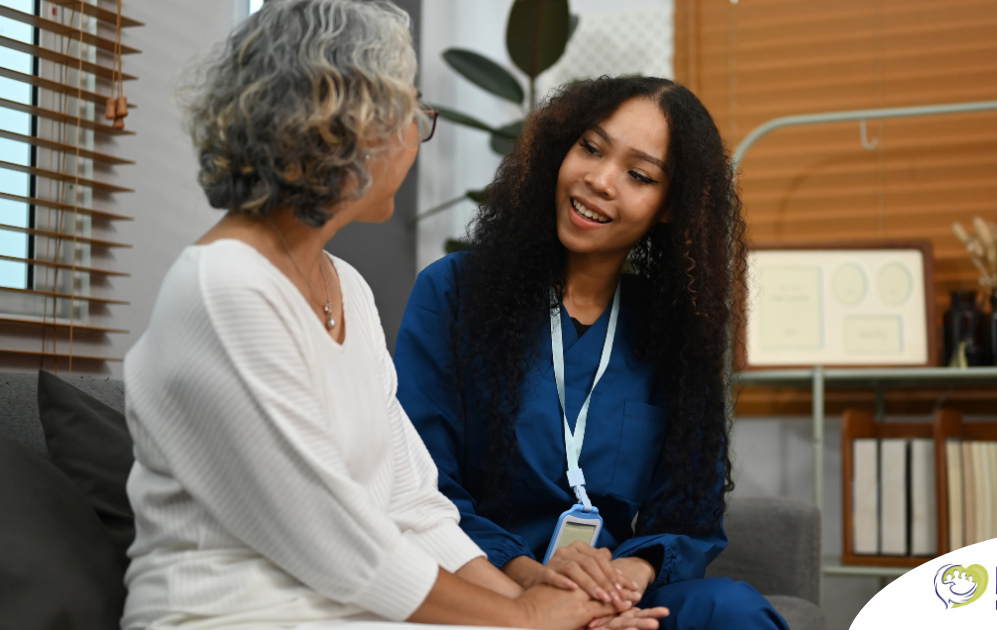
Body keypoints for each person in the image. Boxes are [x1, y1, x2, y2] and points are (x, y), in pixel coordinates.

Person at [121, 2, 661, 628]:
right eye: (412, 111)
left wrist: (535, 605)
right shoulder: (225, 287)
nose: (418, 130)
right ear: (344, 125)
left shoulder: (345, 286)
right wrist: (527, 621)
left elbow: (415, 506)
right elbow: (336, 545)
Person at [394, 76, 789, 630]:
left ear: (669, 206)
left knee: (733, 610)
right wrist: (536, 585)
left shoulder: (676, 331)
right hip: (491, 588)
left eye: (639, 174)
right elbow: (421, 482)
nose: (600, 180)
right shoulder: (453, 294)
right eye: (591, 148)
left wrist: (627, 578)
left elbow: (689, 508)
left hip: (617, 597)